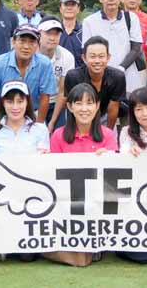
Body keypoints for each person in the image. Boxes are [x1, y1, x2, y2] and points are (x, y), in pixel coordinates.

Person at [46, 83, 117, 267]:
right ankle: (41, 249)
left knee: (85, 257)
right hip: (68, 210)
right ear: (69, 107)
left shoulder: (108, 135)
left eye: (89, 103)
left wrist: (108, 159)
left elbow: (114, 183)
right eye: (78, 103)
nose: (84, 109)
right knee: (82, 260)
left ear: (97, 105)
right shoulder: (59, 136)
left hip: (96, 210)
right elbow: (53, 179)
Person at [0, 24, 56, 127]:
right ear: (13, 42)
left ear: (37, 45)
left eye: (32, 42)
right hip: (3, 113)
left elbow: (45, 97)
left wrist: (38, 126)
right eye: (22, 41)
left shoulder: (44, 64)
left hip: (32, 113)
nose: (26, 46)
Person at [82, 0, 144, 93]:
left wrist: (121, 68)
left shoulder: (131, 18)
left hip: (129, 79)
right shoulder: (89, 22)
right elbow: (86, 52)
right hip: (100, 79)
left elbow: (136, 48)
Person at [64, 36, 126, 130]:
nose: (97, 61)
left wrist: (108, 132)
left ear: (108, 57)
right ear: (84, 58)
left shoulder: (118, 77)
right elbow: (71, 107)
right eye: (92, 56)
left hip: (104, 115)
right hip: (80, 113)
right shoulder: (73, 76)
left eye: (101, 56)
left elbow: (113, 107)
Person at [0, 81, 50, 156]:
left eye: (20, 101)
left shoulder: (41, 130)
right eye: (10, 102)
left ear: (27, 102)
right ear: (3, 103)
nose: (15, 107)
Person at [38, 17, 75, 132]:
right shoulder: (30, 54)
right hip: (34, 102)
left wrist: (52, 122)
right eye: (48, 33)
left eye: (57, 34)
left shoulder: (67, 56)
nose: (52, 38)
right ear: (39, 34)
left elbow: (62, 92)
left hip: (56, 102)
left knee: (58, 132)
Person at [58, 0, 84, 68]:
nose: (69, 8)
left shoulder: (85, 31)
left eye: (72, 4)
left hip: (81, 78)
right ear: (60, 8)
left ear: (78, 8)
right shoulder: (54, 32)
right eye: (66, 4)